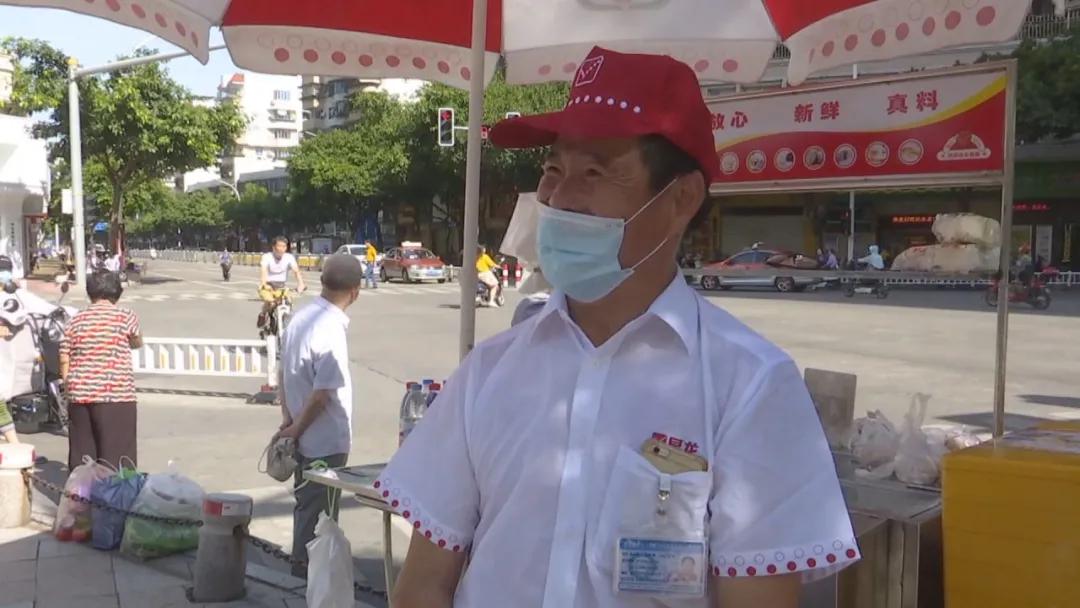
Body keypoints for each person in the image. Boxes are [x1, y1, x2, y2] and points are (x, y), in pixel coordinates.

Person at [381, 47, 856, 608]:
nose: (558, 197)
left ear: (680, 199)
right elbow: (424, 584)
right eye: (553, 169)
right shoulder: (490, 372)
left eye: (594, 172)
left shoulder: (749, 386)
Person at [275, 254, 363, 577]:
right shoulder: (330, 329)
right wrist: (296, 427)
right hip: (324, 441)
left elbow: (283, 370)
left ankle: (303, 571)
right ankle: (308, 579)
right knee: (321, 517)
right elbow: (324, 392)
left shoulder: (301, 318)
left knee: (307, 505)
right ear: (355, 291)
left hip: (302, 435)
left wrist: (288, 419)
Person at [60, 271, 142, 470]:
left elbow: (64, 357)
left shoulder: (75, 320)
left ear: (90, 293)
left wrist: (68, 386)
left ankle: (82, 497)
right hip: (116, 395)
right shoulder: (126, 316)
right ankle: (118, 498)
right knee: (119, 455)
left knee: (83, 454)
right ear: (117, 292)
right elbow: (136, 342)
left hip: (80, 395)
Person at [259, 236, 306, 330]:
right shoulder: (267, 257)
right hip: (269, 285)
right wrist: (264, 284)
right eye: (279, 246)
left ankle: (286, 325)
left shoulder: (289, 257)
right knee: (271, 303)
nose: (281, 249)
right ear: (273, 247)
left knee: (289, 303)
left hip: (282, 287)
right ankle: (263, 314)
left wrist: (301, 284)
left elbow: (296, 271)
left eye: (284, 246)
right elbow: (263, 271)